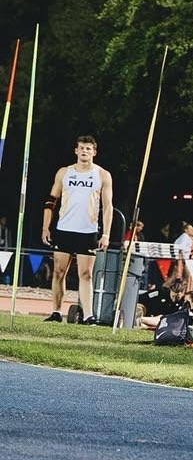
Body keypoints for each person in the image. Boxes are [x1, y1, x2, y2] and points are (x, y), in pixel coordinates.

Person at [41, 134, 114, 325]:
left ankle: (89, 316)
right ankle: (56, 312)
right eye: (81, 148)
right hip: (64, 228)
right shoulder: (64, 172)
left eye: (88, 148)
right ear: (76, 151)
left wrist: (106, 234)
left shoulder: (102, 175)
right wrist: (45, 227)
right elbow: (50, 201)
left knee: (86, 274)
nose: (84, 151)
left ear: (94, 152)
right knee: (58, 272)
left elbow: (108, 207)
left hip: (88, 231)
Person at [173, 221, 193, 296]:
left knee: (188, 279)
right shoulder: (184, 237)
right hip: (183, 262)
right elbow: (181, 249)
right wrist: (190, 252)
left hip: (187, 262)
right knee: (184, 279)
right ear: (186, 230)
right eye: (191, 229)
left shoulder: (189, 238)